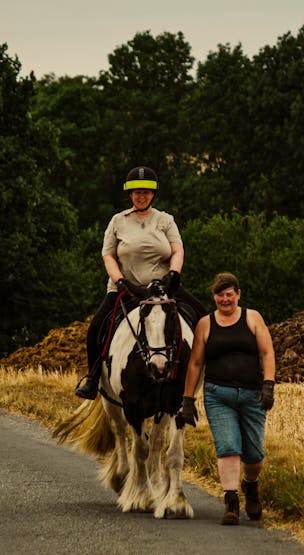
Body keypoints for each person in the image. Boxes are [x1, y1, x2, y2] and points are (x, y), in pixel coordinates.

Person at [75, 166, 207, 400]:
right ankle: (93, 378)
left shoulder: (165, 220)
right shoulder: (117, 221)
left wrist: (174, 274)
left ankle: (210, 374)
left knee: (203, 315)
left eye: (145, 192)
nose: (141, 196)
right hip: (127, 289)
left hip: (163, 287)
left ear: (153, 194)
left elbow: (177, 249)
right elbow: (108, 256)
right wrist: (121, 282)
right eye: (136, 192)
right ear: (129, 195)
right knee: (96, 327)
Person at [181, 272, 276, 525]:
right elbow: (195, 363)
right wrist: (187, 400)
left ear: (238, 294)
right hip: (217, 395)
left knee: (254, 457)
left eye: (229, 294)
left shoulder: (252, 318)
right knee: (228, 447)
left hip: (252, 395)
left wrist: (268, 385)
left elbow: (267, 352)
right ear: (214, 297)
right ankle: (231, 502)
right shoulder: (205, 324)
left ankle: (251, 486)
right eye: (220, 295)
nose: (225, 299)